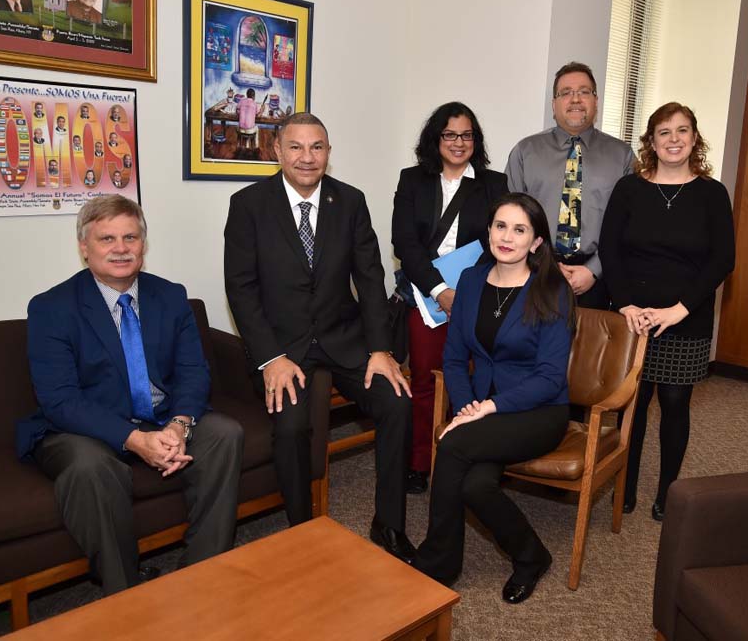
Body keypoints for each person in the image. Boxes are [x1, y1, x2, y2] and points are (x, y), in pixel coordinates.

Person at [17, 195, 244, 594]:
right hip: (81, 427)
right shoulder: (52, 307)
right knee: (90, 469)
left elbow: (193, 370)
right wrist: (134, 439)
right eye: (107, 239)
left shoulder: (170, 296)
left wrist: (179, 423)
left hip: (160, 417)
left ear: (143, 244)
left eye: (130, 237)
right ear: (84, 248)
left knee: (225, 434)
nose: (121, 249)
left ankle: (203, 571)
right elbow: (60, 400)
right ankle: (123, 592)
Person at [224, 112, 415, 560]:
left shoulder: (349, 202)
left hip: (344, 338)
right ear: (277, 150)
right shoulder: (248, 204)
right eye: (296, 147)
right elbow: (242, 288)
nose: (306, 158)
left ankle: (389, 524)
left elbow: (370, 280)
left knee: (397, 402)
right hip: (284, 348)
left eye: (317, 147)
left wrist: (381, 349)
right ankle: (302, 532)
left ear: (328, 152)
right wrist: (269, 358)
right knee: (290, 427)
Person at [414, 192, 574, 604]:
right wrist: (469, 406)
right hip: (482, 408)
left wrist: (488, 408)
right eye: (500, 226)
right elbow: (453, 359)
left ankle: (436, 566)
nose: (507, 237)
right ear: (488, 232)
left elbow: (551, 377)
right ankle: (531, 556)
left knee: (452, 444)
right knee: (475, 485)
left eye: (520, 229)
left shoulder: (553, 289)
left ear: (536, 242)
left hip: (538, 411)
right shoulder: (469, 281)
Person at [600, 102, 735, 521]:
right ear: (651, 141)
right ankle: (625, 488)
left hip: (685, 317)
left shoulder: (712, 193)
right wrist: (625, 304)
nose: (673, 139)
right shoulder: (630, 188)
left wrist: (679, 309)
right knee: (633, 406)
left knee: (675, 404)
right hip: (634, 317)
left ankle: (668, 492)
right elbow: (610, 249)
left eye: (682, 131)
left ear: (694, 138)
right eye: (664, 132)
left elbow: (722, 259)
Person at [390, 102, 507, 494]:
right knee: (425, 379)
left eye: (467, 135)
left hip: (479, 298)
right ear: (436, 138)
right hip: (427, 297)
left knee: (477, 381)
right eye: (450, 134)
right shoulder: (413, 181)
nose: (459, 143)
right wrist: (440, 290)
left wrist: (469, 292)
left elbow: (500, 244)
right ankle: (420, 461)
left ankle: (471, 458)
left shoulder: (495, 184)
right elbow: (404, 243)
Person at [505, 61, 635, 309]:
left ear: (596, 101)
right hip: (534, 274)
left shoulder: (623, 156)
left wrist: (594, 270)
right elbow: (511, 220)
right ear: (554, 105)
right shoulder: (525, 152)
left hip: (598, 279)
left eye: (584, 92)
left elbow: (630, 225)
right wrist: (545, 266)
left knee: (591, 349)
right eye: (566, 93)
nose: (575, 99)